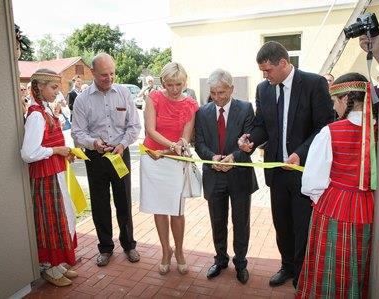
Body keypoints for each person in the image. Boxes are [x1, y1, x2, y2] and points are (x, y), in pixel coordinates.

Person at [238, 41, 334, 288]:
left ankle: (302, 272)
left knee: (302, 226)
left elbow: (324, 128)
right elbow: (262, 126)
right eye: (262, 71)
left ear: (283, 63)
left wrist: (300, 154)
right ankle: (287, 266)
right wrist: (251, 140)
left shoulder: (314, 84)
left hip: (303, 172)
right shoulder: (264, 89)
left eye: (267, 69)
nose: (264, 75)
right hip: (276, 173)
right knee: (282, 225)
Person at [296, 73, 375, 297]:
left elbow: (312, 181)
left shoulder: (330, 132)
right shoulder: (378, 131)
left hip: (334, 204)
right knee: (358, 260)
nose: (334, 106)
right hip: (367, 205)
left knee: (329, 262)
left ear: (346, 98)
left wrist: (318, 199)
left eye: (335, 100)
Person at [71, 53, 141, 267]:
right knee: (100, 203)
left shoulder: (123, 93)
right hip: (96, 157)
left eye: (112, 73)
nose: (109, 78)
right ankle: (105, 248)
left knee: (124, 201)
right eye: (103, 75)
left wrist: (122, 145)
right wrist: (93, 143)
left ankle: (129, 245)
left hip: (120, 154)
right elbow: (77, 133)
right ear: (92, 73)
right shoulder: (83, 99)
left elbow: (134, 126)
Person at [195, 69, 257, 284]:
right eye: (213, 92)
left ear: (231, 89)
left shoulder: (246, 109)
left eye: (222, 92)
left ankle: (240, 263)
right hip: (214, 175)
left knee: (241, 222)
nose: (218, 97)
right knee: (217, 221)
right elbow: (199, 143)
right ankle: (220, 259)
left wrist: (232, 157)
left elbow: (251, 142)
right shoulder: (202, 112)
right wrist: (213, 158)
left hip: (239, 174)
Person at [20, 69, 78, 287]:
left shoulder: (45, 111)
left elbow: (49, 143)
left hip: (54, 172)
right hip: (45, 177)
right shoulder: (36, 115)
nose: (58, 91)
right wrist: (57, 151)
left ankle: (56, 263)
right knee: (51, 221)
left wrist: (65, 152)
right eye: (54, 87)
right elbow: (28, 153)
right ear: (41, 87)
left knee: (62, 216)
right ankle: (49, 267)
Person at [139, 62, 198, 275]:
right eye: (170, 84)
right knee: (159, 208)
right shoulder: (154, 98)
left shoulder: (190, 103)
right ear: (163, 81)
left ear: (185, 82)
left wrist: (178, 145)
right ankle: (166, 251)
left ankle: (180, 251)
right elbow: (150, 130)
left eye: (179, 84)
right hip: (154, 159)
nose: (174, 89)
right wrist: (171, 145)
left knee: (177, 209)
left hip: (175, 161)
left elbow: (186, 135)